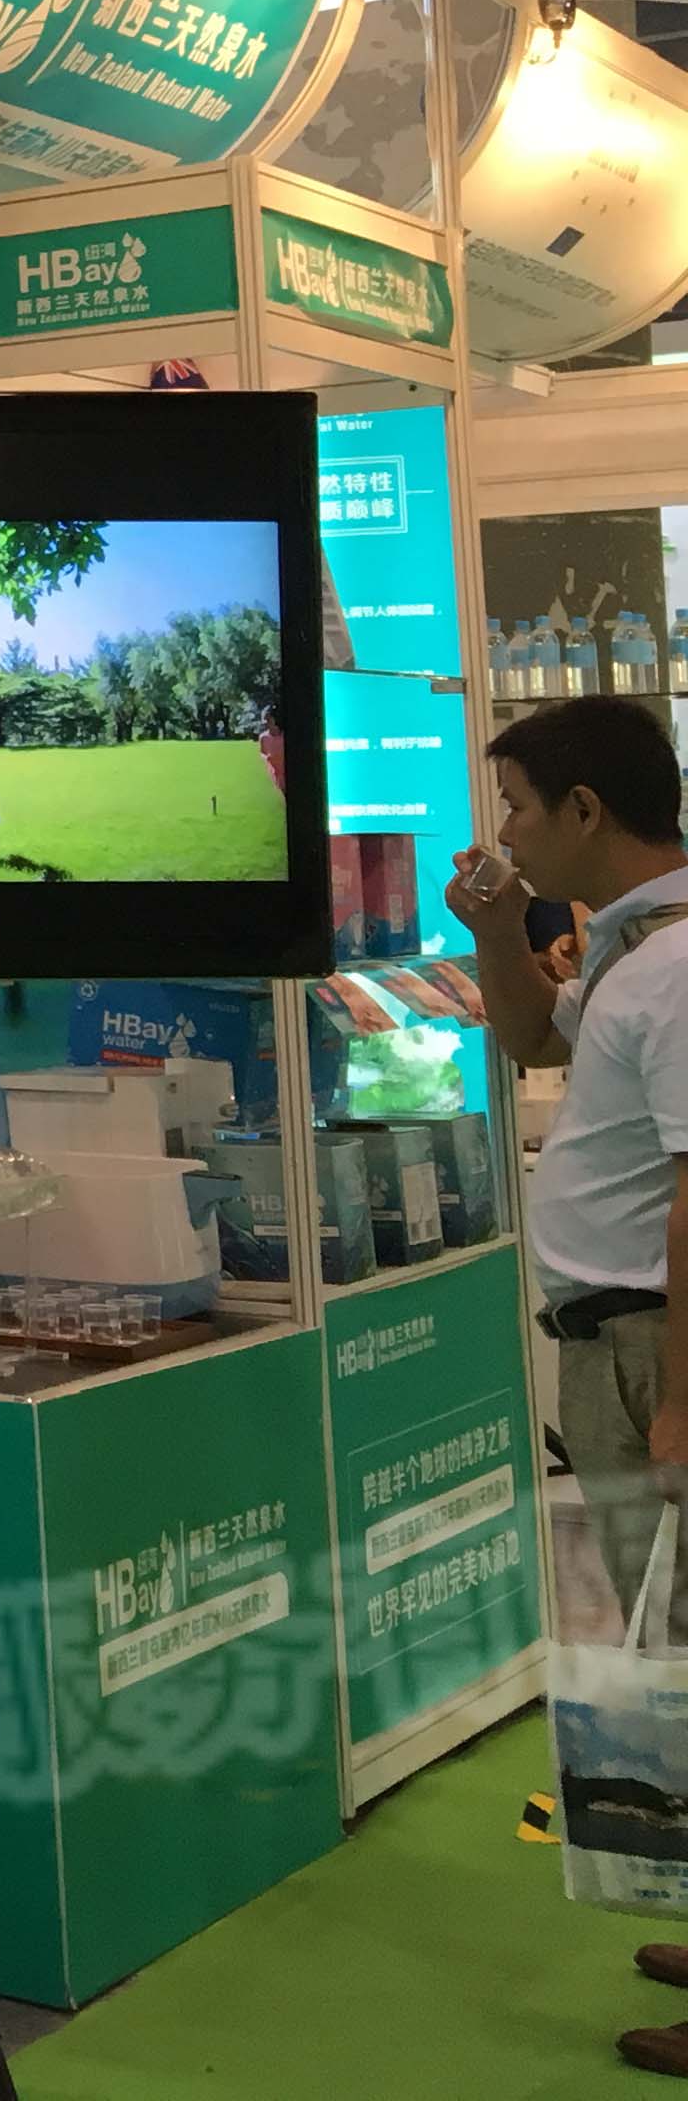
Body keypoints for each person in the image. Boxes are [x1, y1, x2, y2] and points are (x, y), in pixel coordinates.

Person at [447, 699, 688, 2079]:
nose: (506, 832)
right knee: (666, 1653)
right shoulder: (628, 945)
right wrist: (497, 926)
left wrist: (678, 1401)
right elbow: (536, 1045)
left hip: (653, 1349)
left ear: (586, 810)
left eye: (520, 808)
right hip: (615, 1343)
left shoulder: (675, 966)